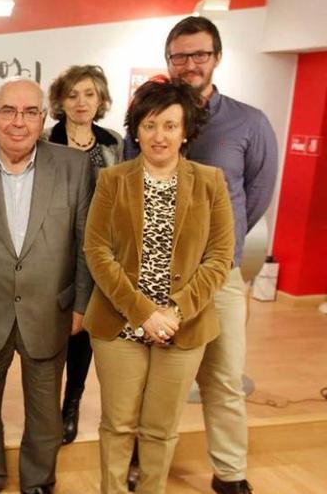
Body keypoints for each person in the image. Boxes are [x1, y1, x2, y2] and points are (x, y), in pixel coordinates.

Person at [125, 17, 279, 494]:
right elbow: (132, 183)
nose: (190, 64)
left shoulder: (249, 122)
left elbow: (255, 195)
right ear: (168, 60)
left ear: (216, 56)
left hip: (220, 278)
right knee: (151, 382)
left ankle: (230, 472)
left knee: (224, 376)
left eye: (200, 55)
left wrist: (219, 246)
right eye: (180, 56)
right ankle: (143, 466)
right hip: (157, 279)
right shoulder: (146, 116)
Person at [84, 79, 235, 494]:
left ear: (186, 131)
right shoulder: (112, 180)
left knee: (161, 429)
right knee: (118, 425)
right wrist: (144, 313)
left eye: (170, 126)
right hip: (120, 323)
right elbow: (97, 250)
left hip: (183, 326)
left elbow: (219, 258)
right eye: (150, 125)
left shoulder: (210, 181)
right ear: (136, 129)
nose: (159, 136)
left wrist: (173, 312)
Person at [0, 77, 93, 494]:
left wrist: (81, 302)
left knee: (46, 409)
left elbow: (86, 243)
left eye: (30, 112)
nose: (18, 122)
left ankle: (39, 480)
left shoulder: (74, 166)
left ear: (44, 119)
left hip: (51, 308)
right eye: (8, 110)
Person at [44, 64, 123, 446]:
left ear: (100, 99)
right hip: (53, 252)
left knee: (83, 336)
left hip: (99, 255)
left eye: (89, 94)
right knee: (50, 334)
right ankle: (43, 405)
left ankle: (70, 405)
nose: (81, 102)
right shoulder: (46, 140)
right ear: (60, 100)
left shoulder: (114, 144)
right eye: (73, 94)